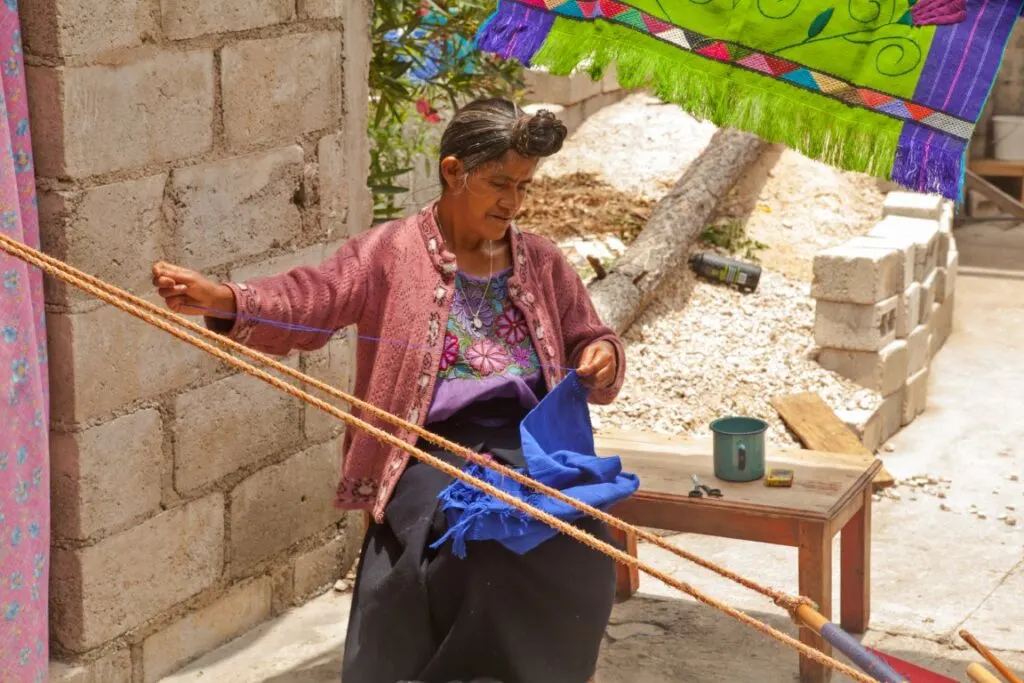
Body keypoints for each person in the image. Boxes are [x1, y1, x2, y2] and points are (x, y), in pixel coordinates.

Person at [152, 97, 626, 683]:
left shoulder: (544, 261)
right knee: (481, 547)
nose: (514, 202)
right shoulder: (389, 253)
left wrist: (599, 356)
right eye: (500, 183)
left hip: (529, 447)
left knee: (578, 546)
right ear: (454, 172)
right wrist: (226, 300)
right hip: (425, 449)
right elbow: (314, 299)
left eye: (524, 187)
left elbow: (590, 336)